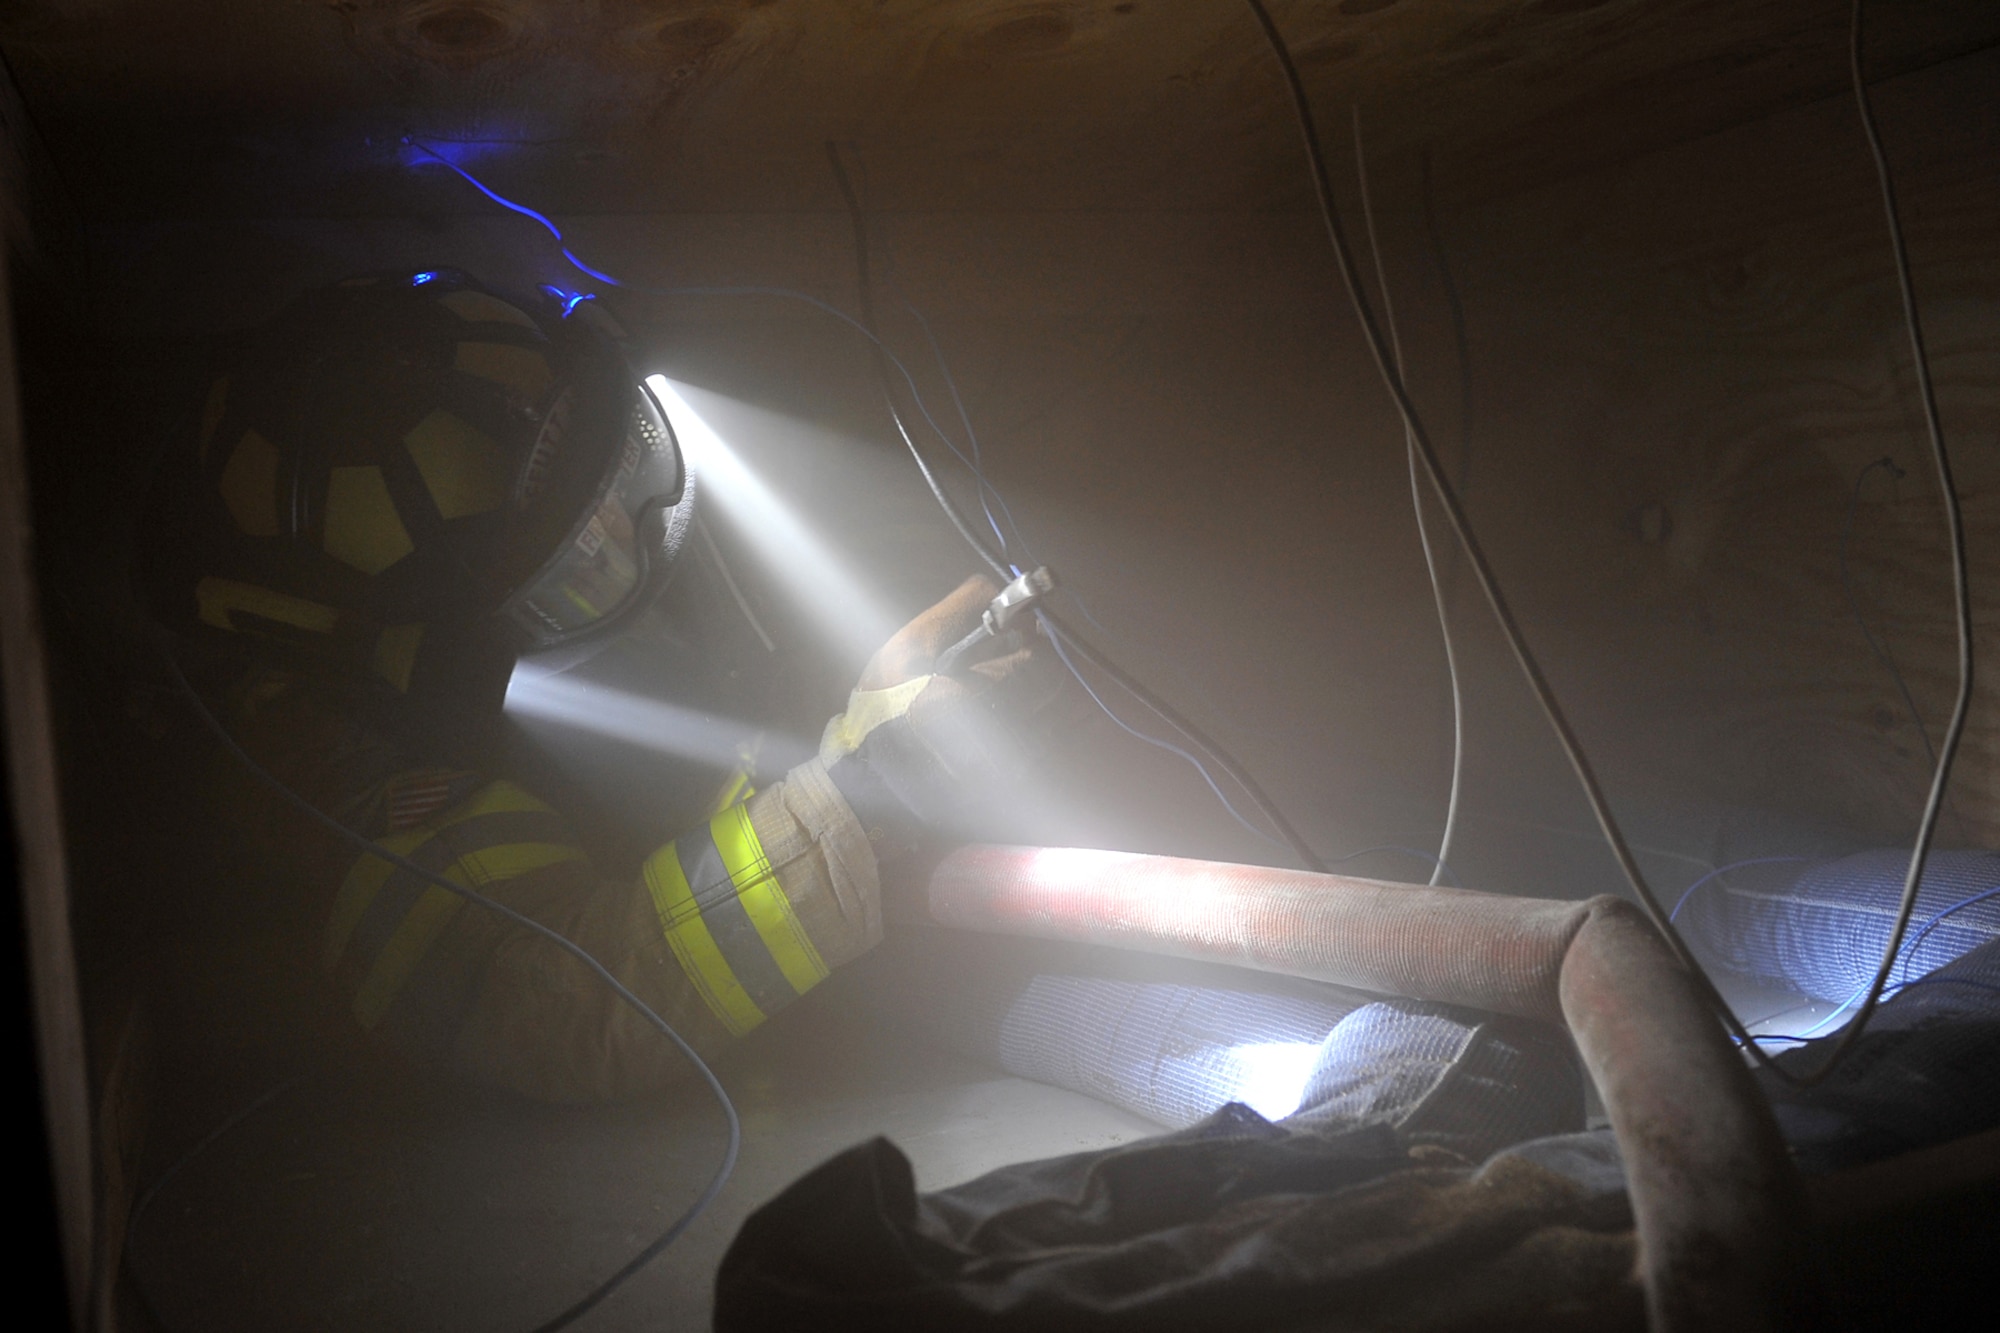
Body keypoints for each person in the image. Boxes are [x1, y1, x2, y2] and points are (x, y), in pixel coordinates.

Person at [139, 268, 1066, 1102]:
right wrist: (875, 793)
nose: (633, 533)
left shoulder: (566, 483)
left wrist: (876, 719)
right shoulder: (342, 770)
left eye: (630, 471)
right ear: (424, 661)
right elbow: (568, 1005)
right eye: (573, 571)